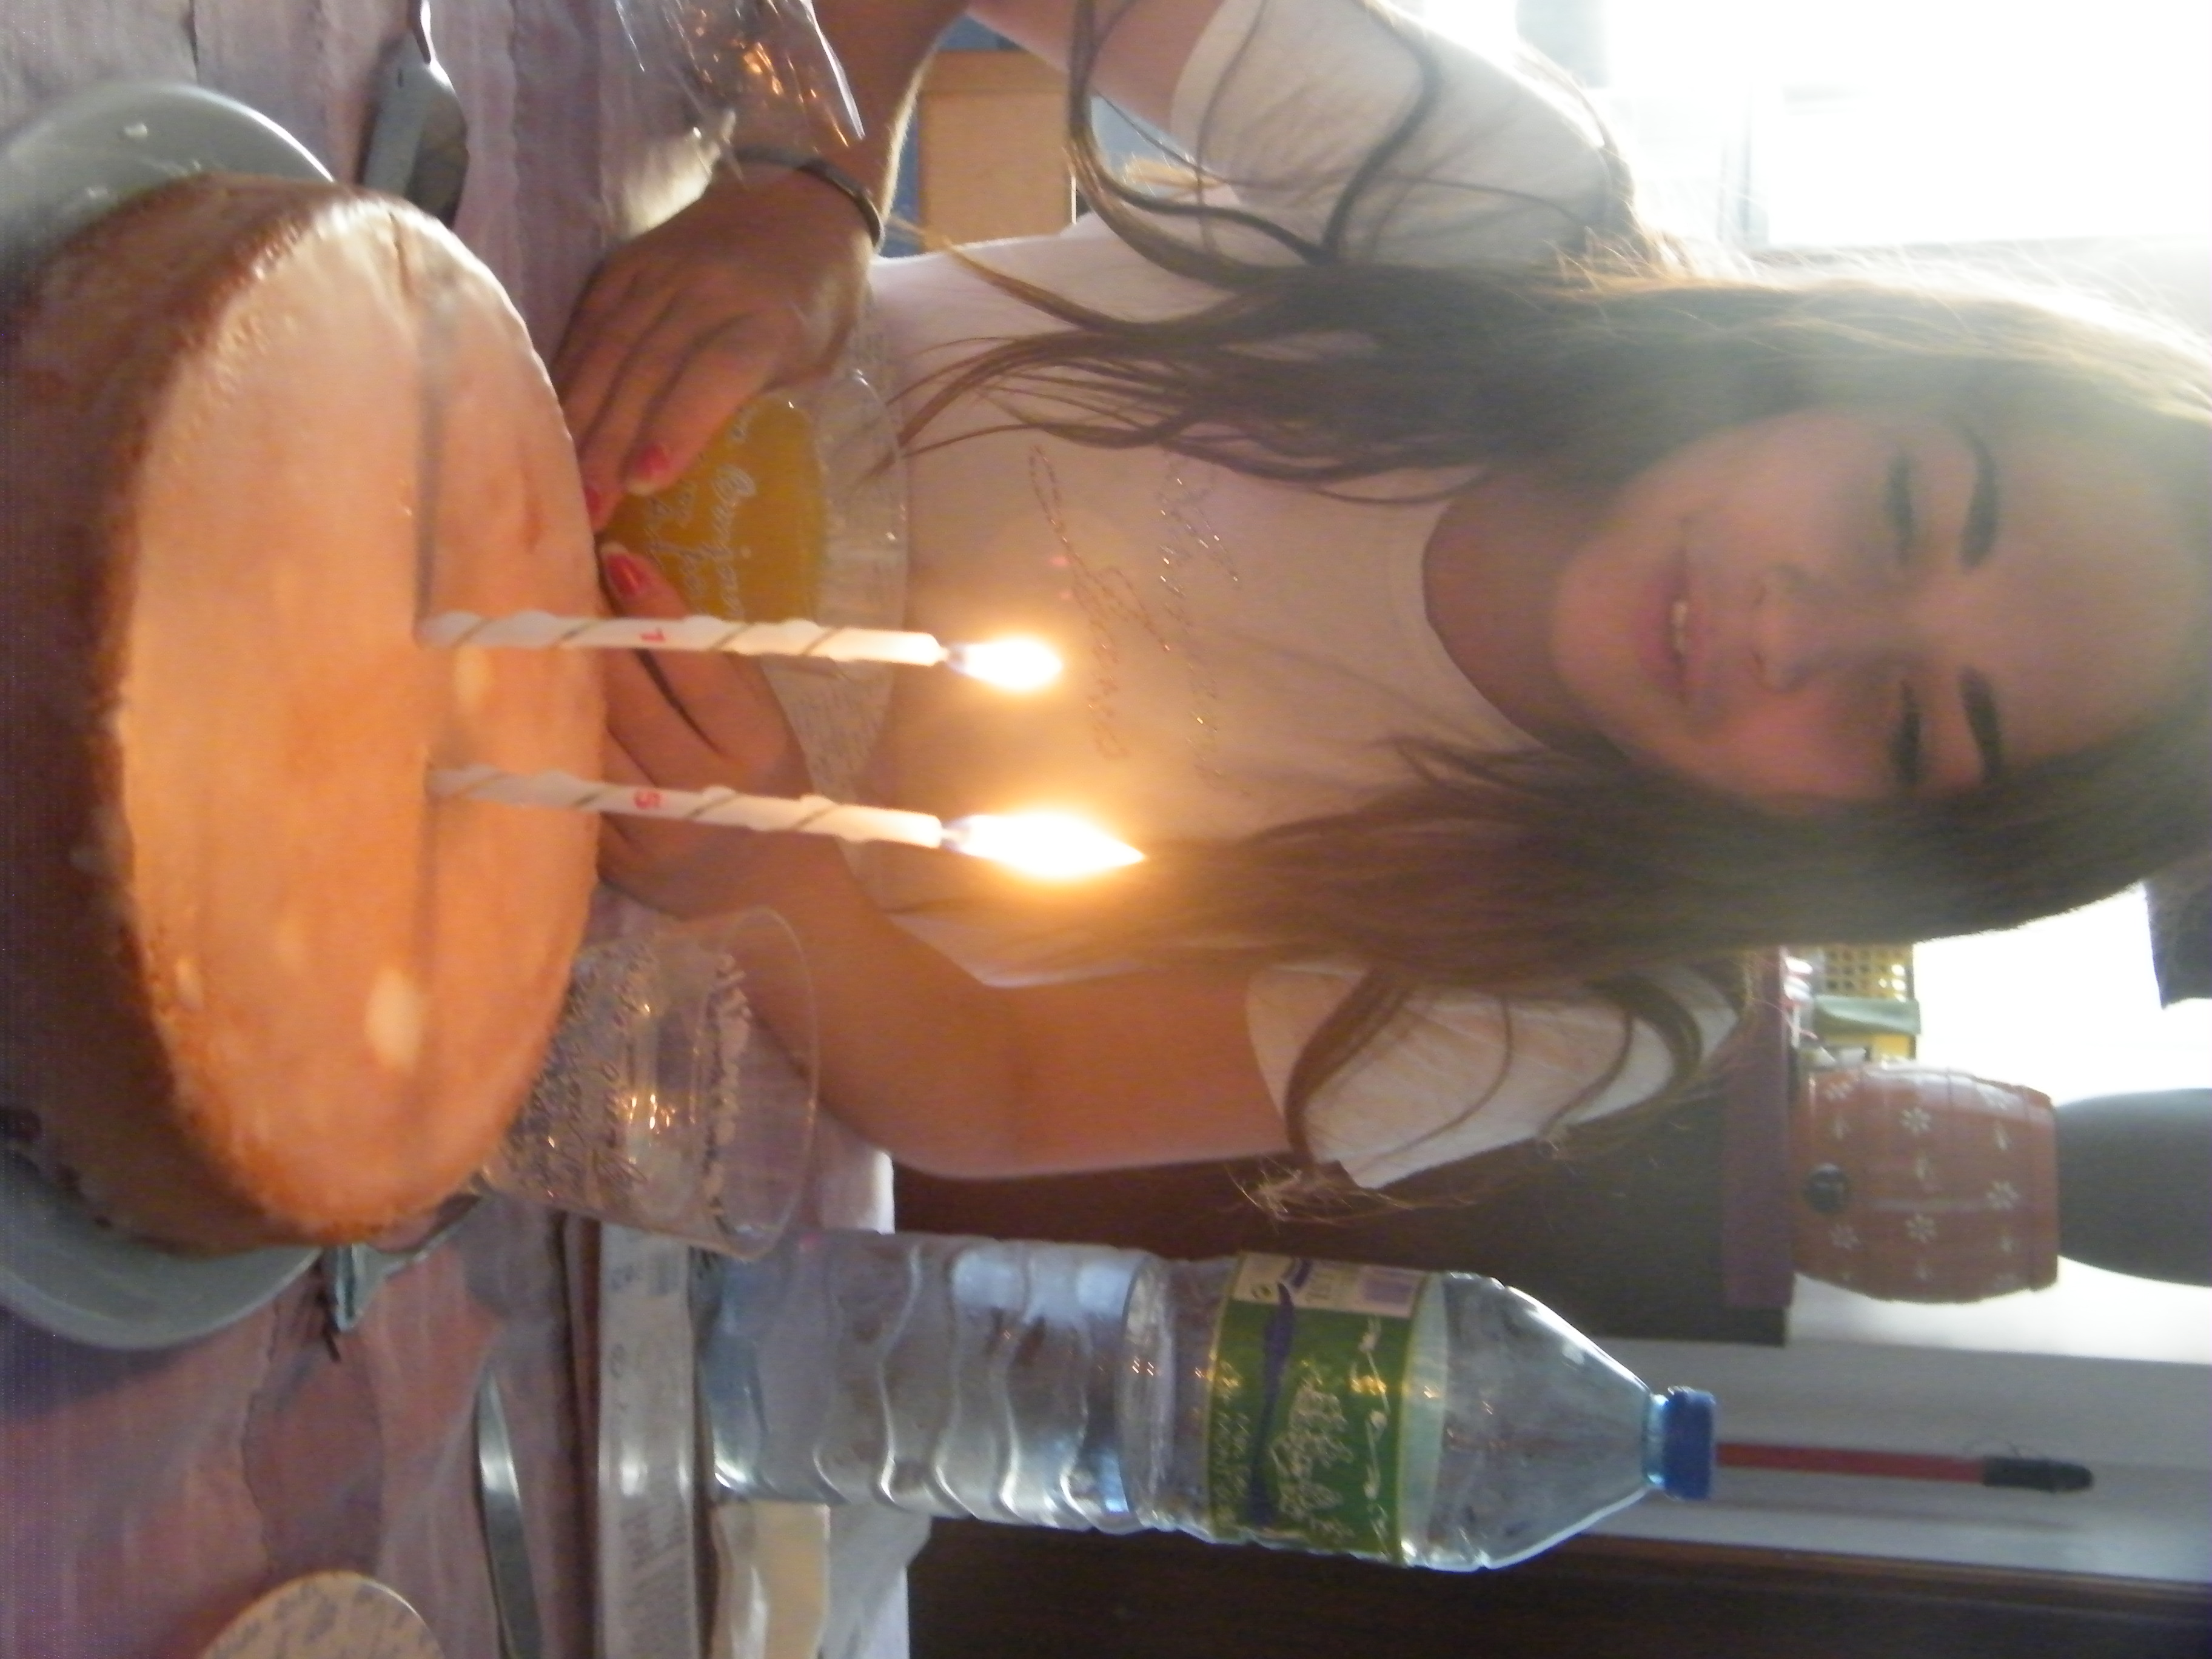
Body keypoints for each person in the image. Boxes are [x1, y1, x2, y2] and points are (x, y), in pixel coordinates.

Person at [555, 0, 2212, 1192]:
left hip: (548, 857)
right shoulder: (1497, 211)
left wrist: (766, 874)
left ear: (1902, 845)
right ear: (1870, 374)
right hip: (524, 382)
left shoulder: (1592, 999)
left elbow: (997, 1093)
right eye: (1903, 507)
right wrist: (811, 194)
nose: (1795, 632)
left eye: (1906, 726)